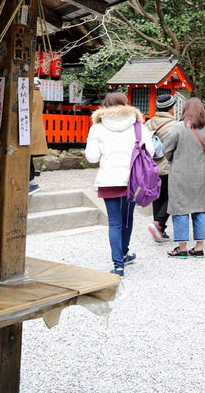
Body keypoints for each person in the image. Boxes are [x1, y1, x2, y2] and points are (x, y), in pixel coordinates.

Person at [84, 92, 154, 276]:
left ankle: (118, 266)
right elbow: (151, 152)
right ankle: (124, 253)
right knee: (128, 219)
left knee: (114, 223)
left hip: (108, 180)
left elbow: (92, 157)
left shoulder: (97, 128)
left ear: (105, 105)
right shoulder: (139, 126)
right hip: (133, 180)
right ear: (126, 104)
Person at [162, 97, 205, 258]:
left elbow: (166, 149)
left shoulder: (178, 127)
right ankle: (199, 247)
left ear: (185, 110)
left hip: (179, 174)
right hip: (199, 174)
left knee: (181, 209)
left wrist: (174, 159)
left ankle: (182, 248)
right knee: (199, 210)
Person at [146, 93, 179, 241]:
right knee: (172, 197)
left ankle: (160, 231)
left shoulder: (149, 124)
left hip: (151, 167)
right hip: (169, 166)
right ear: (171, 109)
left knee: (157, 197)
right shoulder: (176, 126)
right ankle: (158, 223)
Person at [28, 77, 48, 195]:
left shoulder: (30, 94)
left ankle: (31, 183)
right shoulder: (38, 94)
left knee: (25, 156)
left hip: (28, 128)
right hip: (34, 128)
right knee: (28, 156)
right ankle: (31, 182)